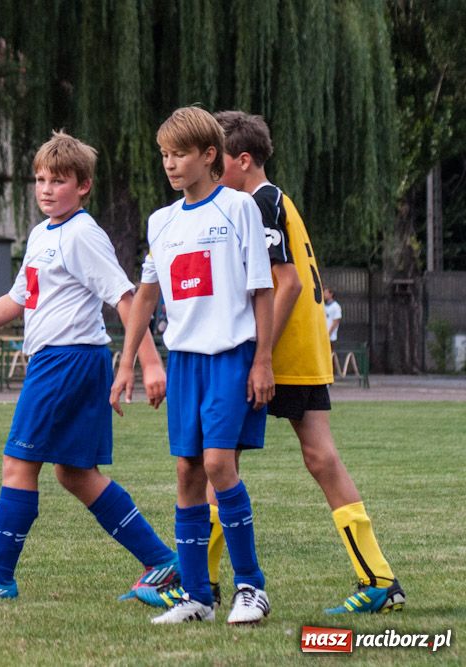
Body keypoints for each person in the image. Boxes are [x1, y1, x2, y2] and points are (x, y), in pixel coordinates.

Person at [0, 130, 180, 603]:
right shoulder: (43, 233)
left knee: (18, 463)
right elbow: (18, 299)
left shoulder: (82, 234)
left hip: (67, 361)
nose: (45, 188)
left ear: (82, 186)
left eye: (58, 180)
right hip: (69, 362)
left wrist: (149, 365)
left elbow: (126, 298)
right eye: (39, 179)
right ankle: (162, 563)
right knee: (74, 473)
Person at [199, 111, 402, 615]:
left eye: (214, 158)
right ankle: (379, 578)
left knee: (219, 460)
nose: (208, 167)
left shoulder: (259, 203)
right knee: (313, 458)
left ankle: (199, 584)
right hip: (300, 349)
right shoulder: (275, 199)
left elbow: (284, 280)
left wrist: (261, 355)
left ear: (242, 161)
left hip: (278, 353)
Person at [111, 107, 275, 624]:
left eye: (180, 154)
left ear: (209, 156)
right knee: (186, 471)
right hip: (183, 363)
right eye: (164, 155)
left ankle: (251, 587)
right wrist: (125, 367)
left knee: (219, 466)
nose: (171, 164)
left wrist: (262, 360)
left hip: (231, 358)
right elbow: (145, 297)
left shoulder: (239, 208)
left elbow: (262, 289)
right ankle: (197, 596)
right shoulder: (161, 222)